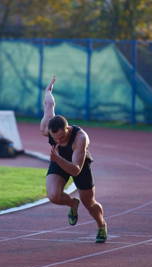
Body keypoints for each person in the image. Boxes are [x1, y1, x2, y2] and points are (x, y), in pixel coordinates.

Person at [39, 75, 107, 243]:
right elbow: (49, 104)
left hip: (79, 164)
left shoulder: (80, 139)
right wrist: (48, 90)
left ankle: (101, 225)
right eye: (55, 139)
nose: (59, 141)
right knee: (54, 196)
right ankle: (72, 204)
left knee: (89, 203)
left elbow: (76, 169)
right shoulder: (47, 127)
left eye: (62, 138)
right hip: (59, 160)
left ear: (67, 129)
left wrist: (57, 158)